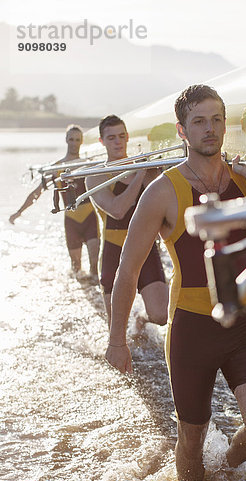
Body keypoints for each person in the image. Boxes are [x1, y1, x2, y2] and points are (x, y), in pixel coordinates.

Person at [106, 85, 246, 481]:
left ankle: (226, 467)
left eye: (217, 119)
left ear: (226, 125)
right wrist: (117, 340)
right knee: (190, 442)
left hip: (245, 320)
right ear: (182, 131)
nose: (210, 129)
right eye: (199, 121)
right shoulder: (162, 192)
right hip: (191, 328)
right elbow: (128, 268)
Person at [85, 115, 168, 327]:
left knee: (160, 316)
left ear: (128, 137)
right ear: (102, 141)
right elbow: (117, 210)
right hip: (114, 252)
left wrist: (156, 173)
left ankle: (141, 318)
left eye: (122, 136)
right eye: (111, 138)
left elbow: (166, 206)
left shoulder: (147, 172)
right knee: (116, 327)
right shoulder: (94, 177)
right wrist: (139, 174)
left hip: (146, 249)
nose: (117, 142)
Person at [9, 125, 99, 280]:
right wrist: (19, 211)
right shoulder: (56, 168)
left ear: (81, 141)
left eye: (77, 140)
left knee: (94, 267)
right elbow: (37, 193)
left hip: (90, 218)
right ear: (66, 140)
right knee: (76, 269)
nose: (74, 143)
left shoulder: (88, 165)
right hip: (71, 221)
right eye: (71, 139)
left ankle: (95, 295)